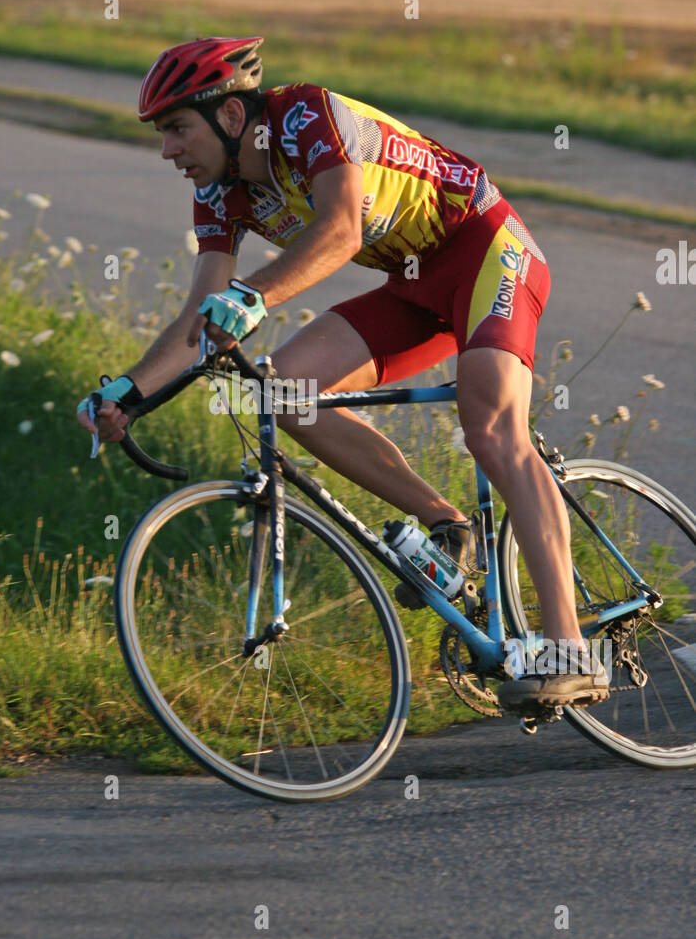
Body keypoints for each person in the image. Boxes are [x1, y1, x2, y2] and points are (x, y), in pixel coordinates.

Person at [77, 36, 609, 711]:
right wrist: (128, 392)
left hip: (485, 249)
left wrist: (252, 296)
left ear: (231, 117)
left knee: (492, 426)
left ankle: (570, 649)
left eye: (178, 129)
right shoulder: (220, 193)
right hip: (411, 285)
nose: (168, 151)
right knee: (287, 390)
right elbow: (197, 315)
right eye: (162, 135)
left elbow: (340, 231)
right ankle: (448, 526)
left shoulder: (307, 118)